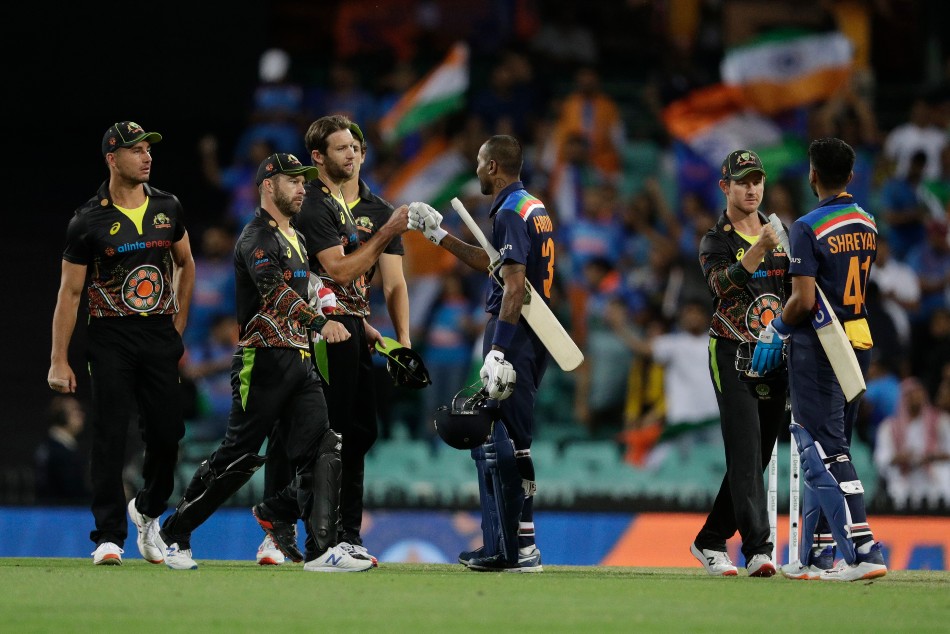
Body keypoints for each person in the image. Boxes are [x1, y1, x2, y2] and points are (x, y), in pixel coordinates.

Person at [157, 152, 372, 573]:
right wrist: (321, 321)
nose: (302, 187)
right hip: (263, 360)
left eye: (303, 181)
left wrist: (327, 301)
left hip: (300, 357)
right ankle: (175, 533)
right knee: (238, 456)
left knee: (325, 446)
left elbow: (306, 285)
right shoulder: (256, 237)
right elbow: (274, 292)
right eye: (293, 181)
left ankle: (322, 550)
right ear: (268, 186)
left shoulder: (296, 237)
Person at [47, 121, 196, 566]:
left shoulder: (168, 206)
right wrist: (58, 360)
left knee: (168, 435)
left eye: (149, 149)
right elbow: (70, 293)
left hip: (158, 335)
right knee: (109, 435)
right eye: (136, 150)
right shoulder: (87, 220)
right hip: (110, 337)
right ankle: (109, 536)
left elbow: (185, 263)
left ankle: (147, 509)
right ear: (112, 159)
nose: (146, 157)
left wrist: (178, 326)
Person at [267, 114, 409, 567]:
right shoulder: (313, 205)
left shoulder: (349, 206)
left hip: (351, 326)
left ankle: (339, 532)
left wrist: (381, 332)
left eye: (356, 147)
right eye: (342, 148)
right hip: (317, 331)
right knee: (325, 436)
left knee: (359, 432)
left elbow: (370, 285)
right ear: (318, 156)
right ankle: (311, 536)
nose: (353, 154)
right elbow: (340, 272)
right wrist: (387, 232)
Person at [407, 134, 553, 572]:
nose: (475, 169)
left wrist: (498, 350)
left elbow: (513, 287)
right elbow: (496, 266)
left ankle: (515, 548)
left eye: (478, 161)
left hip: (513, 333)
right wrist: (439, 236)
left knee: (505, 443)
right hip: (534, 332)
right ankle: (515, 543)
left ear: (492, 166)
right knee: (510, 440)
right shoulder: (531, 206)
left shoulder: (508, 213)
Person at [753, 137, 887, 581]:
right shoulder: (867, 221)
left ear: (812, 175)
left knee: (822, 448)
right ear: (850, 175)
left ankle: (864, 549)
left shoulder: (808, 227)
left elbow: (804, 300)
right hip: (858, 339)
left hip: (821, 345)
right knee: (832, 443)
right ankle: (820, 554)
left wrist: (777, 328)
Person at [690, 149, 788, 578]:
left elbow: (791, 292)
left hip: (774, 356)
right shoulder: (716, 240)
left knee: (757, 458)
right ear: (724, 187)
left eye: (757, 180)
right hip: (731, 352)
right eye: (742, 182)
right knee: (745, 452)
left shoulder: (780, 233)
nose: (751, 189)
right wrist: (759, 249)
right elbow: (720, 287)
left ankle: (711, 540)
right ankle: (758, 550)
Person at [874, 377, 950, 511]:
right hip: (904, 476)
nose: (915, 398)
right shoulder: (889, 426)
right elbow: (881, 458)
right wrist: (899, 458)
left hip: (932, 474)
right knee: (897, 488)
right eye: (910, 395)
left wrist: (932, 456)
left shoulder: (940, 421)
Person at [34, 395, 90, 504]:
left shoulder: (49, 447)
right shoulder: (59, 452)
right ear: (62, 416)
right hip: (63, 511)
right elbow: (73, 493)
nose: (82, 415)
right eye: (75, 411)